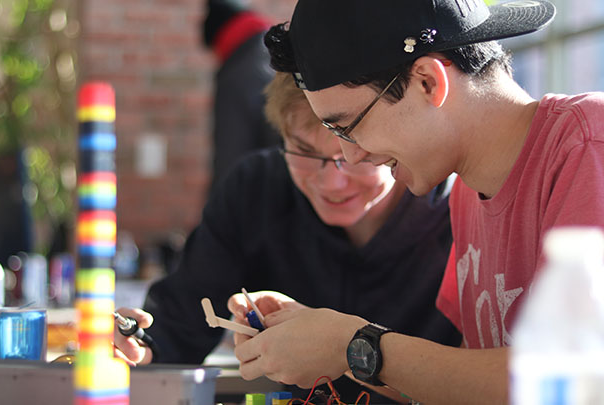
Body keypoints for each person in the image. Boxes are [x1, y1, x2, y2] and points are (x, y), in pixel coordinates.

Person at [228, 0, 604, 403]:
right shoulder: (464, 191)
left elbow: (576, 379)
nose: (351, 156)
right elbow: (469, 388)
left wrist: (351, 343)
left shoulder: (589, 146)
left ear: (428, 82)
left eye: (349, 127)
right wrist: (321, 338)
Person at [115, 71, 461, 402]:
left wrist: (349, 349)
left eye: (352, 153)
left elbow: (495, 380)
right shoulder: (255, 189)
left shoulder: (459, 211)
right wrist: (137, 343)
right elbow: (177, 327)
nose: (330, 183)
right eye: (303, 152)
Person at [202, 0, 282, 189]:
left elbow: (231, 154)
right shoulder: (268, 56)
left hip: (248, 203)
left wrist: (218, 212)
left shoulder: (238, 74)